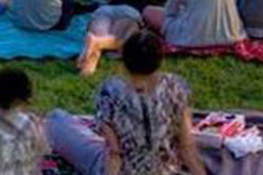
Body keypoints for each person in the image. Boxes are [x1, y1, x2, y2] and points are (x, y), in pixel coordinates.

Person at [46, 31, 207, 175]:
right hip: (165, 170)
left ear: (124, 59)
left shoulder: (110, 91)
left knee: (56, 119)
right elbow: (186, 146)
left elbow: (115, 154)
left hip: (118, 168)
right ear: (160, 59)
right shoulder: (177, 87)